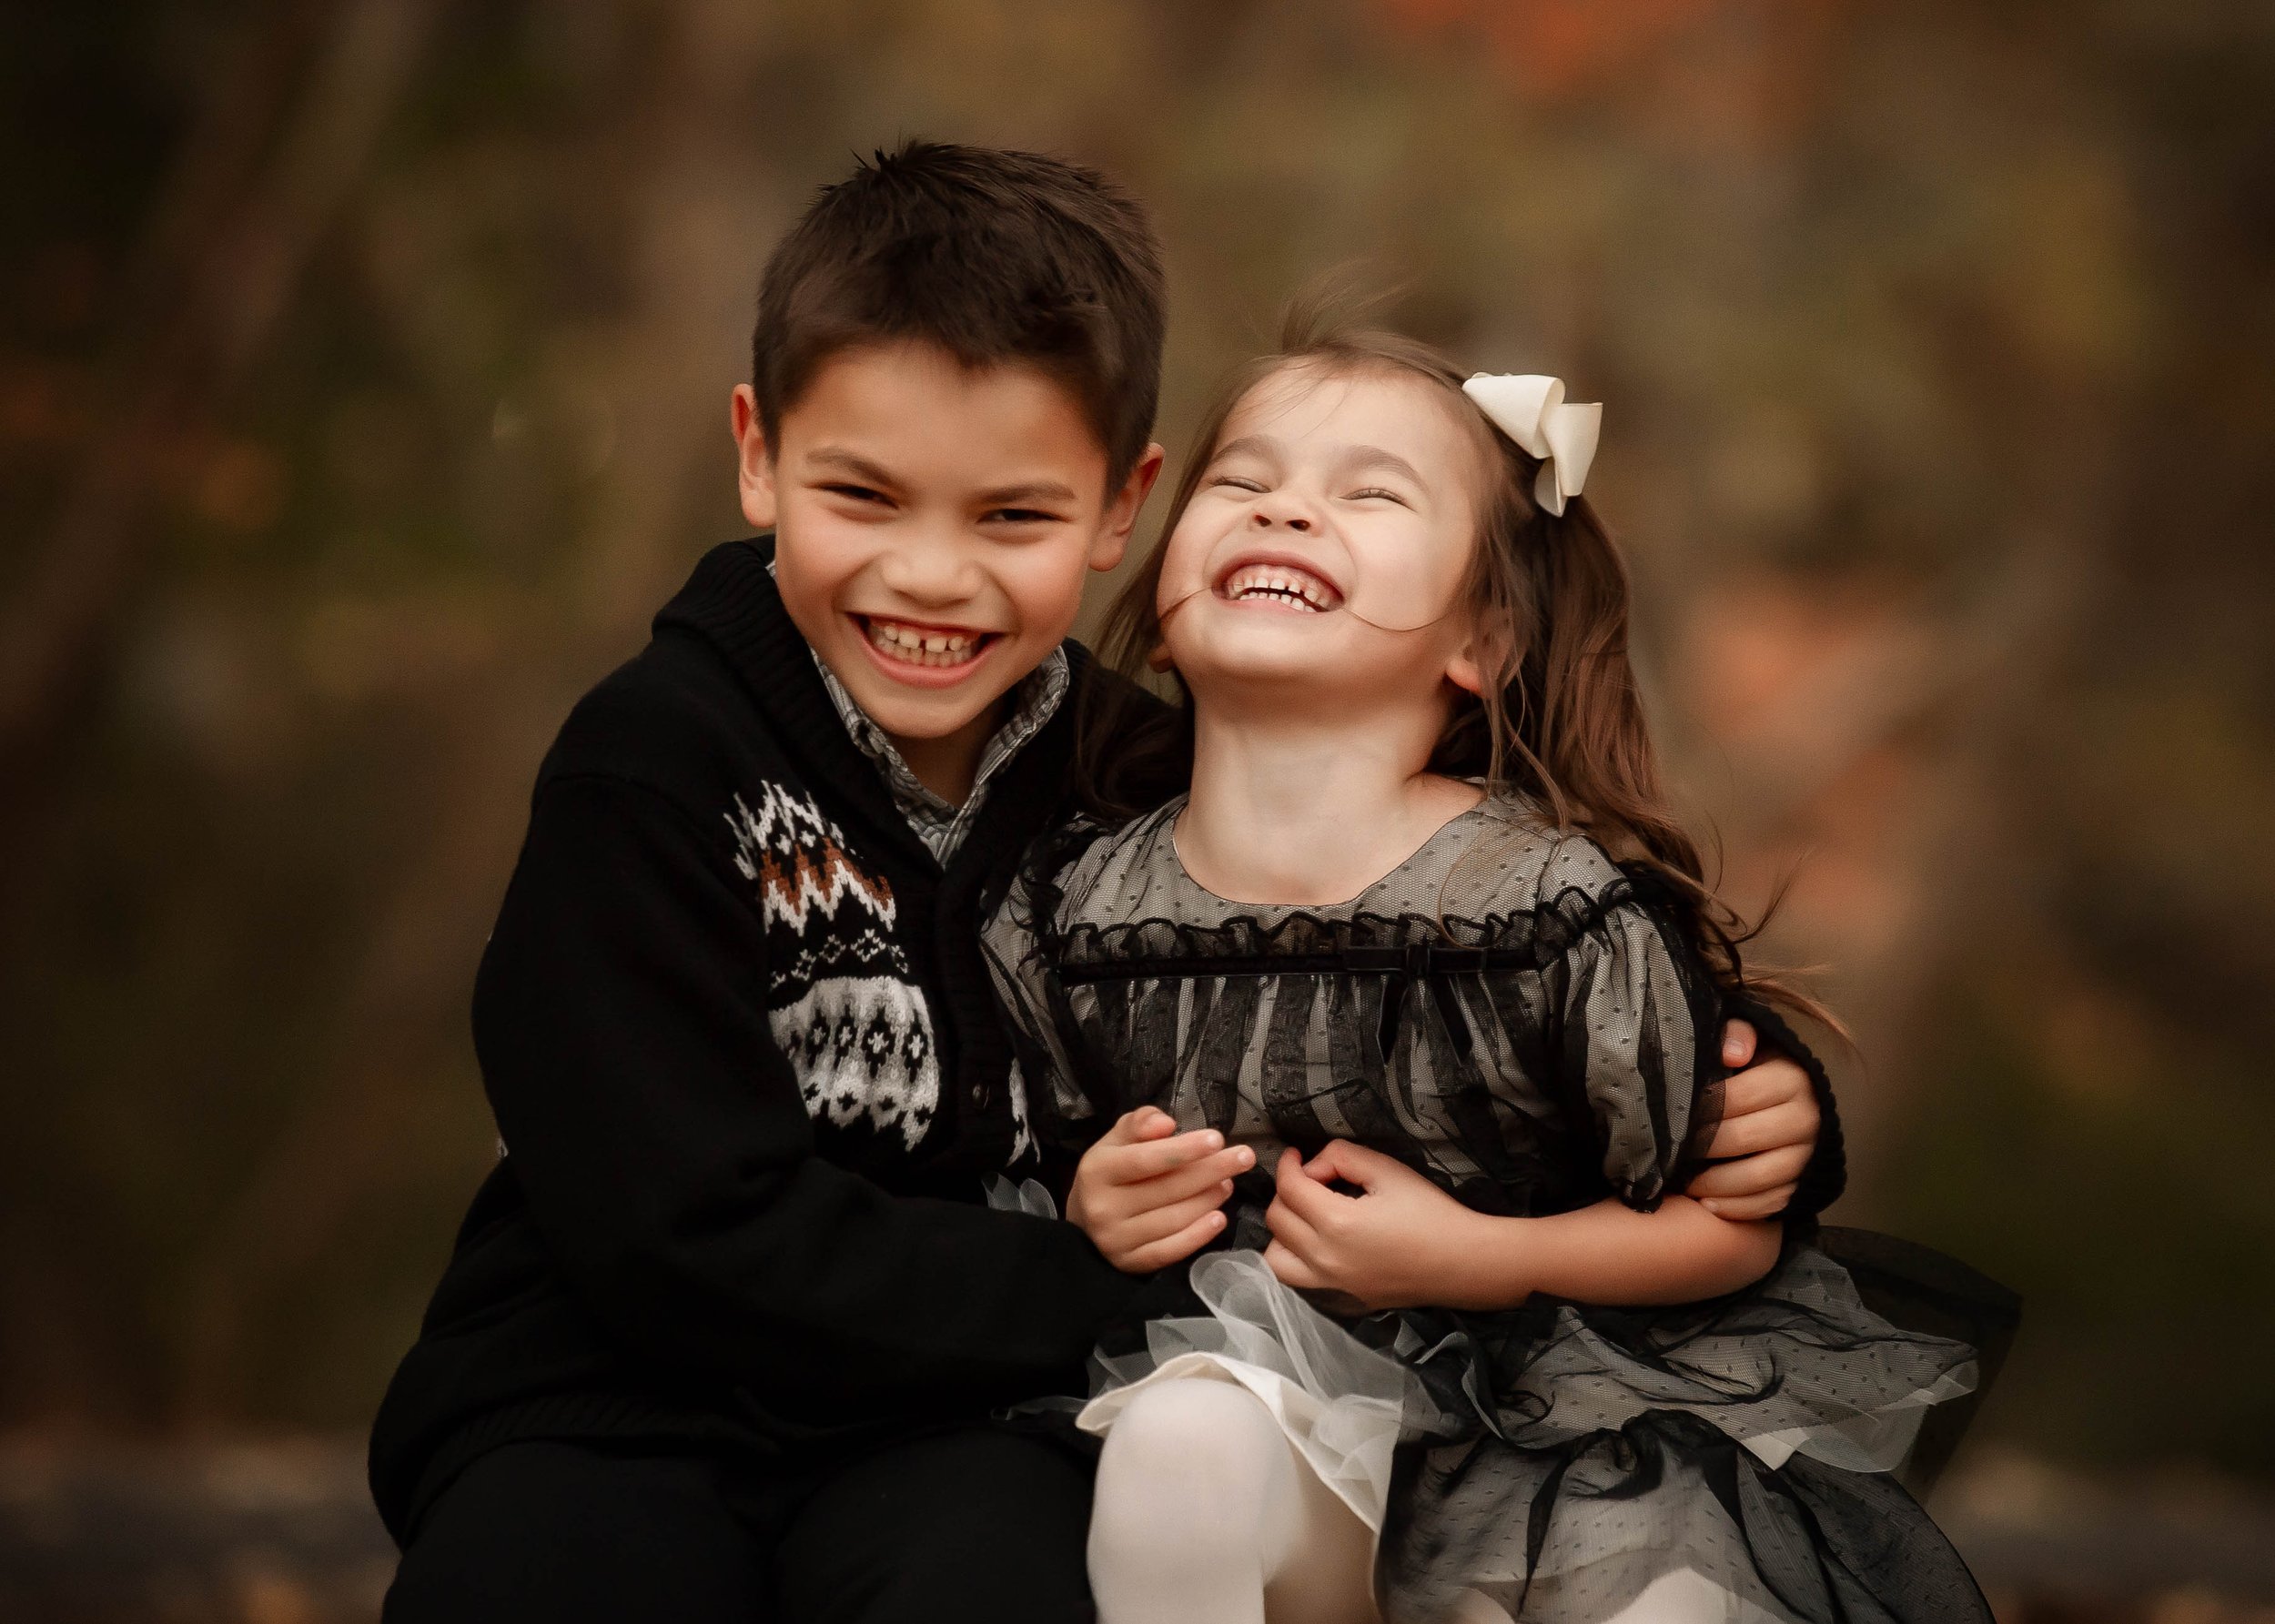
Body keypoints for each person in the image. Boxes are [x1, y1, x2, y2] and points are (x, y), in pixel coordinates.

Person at [371, 142, 1836, 1623]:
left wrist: (1761, 1090)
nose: (933, 578)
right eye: (865, 496)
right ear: (758, 453)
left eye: (1010, 517)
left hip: (954, 1426)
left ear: (1119, 506)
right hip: (613, 1399)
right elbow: (675, 1236)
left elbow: (1418, 933)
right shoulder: (658, 769)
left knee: (996, 1579)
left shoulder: (1132, 775)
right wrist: (1103, 1274)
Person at [985, 315, 2016, 1624]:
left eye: (1367, 493)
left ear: (1480, 643)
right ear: (1165, 610)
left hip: (1553, 1440)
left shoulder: (1545, 912)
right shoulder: (1073, 910)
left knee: (1666, 1604)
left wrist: (1474, 1253)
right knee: (1178, 1442)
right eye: (1243, 482)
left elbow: (1726, 1227)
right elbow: (1013, 1165)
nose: (1289, 511)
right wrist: (1089, 1198)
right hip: (1279, 1429)